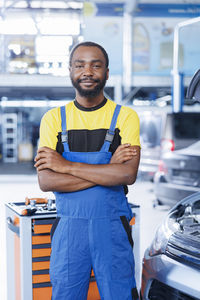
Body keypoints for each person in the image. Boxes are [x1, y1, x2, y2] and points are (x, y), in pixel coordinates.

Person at [34, 41, 141, 300]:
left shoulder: (126, 117)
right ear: (70, 70)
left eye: (96, 65)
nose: (88, 71)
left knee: (121, 295)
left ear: (106, 72)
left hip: (113, 229)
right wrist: (108, 170)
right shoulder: (53, 119)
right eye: (80, 65)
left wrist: (66, 166)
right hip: (69, 232)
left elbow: (127, 175)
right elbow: (47, 180)